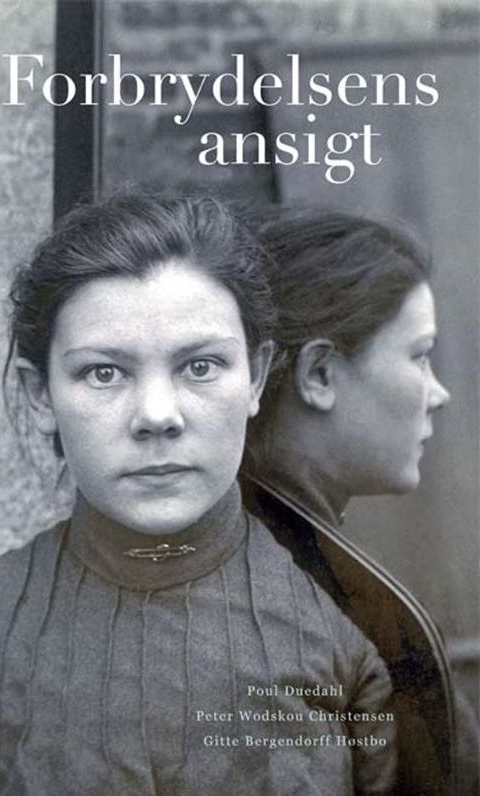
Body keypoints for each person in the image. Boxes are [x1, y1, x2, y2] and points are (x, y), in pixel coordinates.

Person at [0, 193, 396, 795]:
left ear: (255, 377)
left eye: (200, 366)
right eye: (103, 372)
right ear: (41, 395)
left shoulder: (353, 639)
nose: (157, 415)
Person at [244, 209, 462, 793]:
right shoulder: (285, 611)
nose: (438, 393)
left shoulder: (301, 563)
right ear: (319, 373)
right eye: (419, 355)